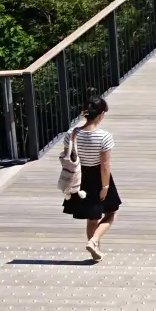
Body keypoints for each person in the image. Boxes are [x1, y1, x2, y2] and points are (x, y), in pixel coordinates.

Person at [61, 95, 122, 262]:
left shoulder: (71, 134)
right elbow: (105, 166)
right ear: (101, 114)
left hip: (80, 177)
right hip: (97, 177)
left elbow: (69, 156)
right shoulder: (104, 136)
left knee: (92, 216)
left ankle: (96, 252)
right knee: (111, 212)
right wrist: (105, 187)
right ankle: (94, 241)